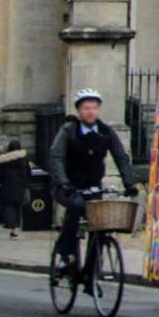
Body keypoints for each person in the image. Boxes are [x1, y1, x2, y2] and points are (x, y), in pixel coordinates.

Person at [48, 90, 136, 277]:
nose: (90, 112)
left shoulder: (105, 132)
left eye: (94, 108)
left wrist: (129, 183)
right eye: (86, 108)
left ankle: (90, 272)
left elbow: (121, 157)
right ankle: (65, 254)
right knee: (77, 206)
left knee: (99, 223)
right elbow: (56, 158)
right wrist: (63, 182)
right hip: (68, 186)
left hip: (92, 186)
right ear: (79, 110)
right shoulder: (69, 131)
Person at [0, 140, 30, 239]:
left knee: (9, 207)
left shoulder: (3, 160)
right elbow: (28, 172)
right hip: (20, 186)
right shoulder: (23, 158)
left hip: (7, 187)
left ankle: (13, 229)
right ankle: (16, 229)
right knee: (18, 207)